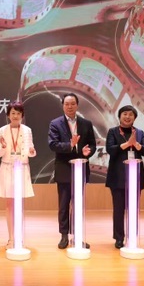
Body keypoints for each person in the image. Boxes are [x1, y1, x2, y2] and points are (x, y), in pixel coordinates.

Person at [48, 93, 97, 249]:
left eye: (72, 104)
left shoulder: (86, 123)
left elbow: (92, 144)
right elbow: (53, 144)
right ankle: (64, 236)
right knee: (64, 205)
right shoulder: (55, 123)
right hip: (64, 168)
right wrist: (69, 145)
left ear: (77, 105)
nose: (70, 107)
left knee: (78, 205)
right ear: (63, 105)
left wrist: (89, 151)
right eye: (67, 104)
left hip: (80, 168)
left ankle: (78, 236)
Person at [105, 105, 144, 249]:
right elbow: (110, 149)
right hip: (117, 176)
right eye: (124, 114)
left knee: (133, 208)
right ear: (119, 116)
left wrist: (136, 144)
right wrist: (126, 144)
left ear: (134, 118)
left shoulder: (140, 133)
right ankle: (119, 238)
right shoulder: (113, 132)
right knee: (118, 209)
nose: (127, 117)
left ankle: (132, 236)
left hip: (135, 176)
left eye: (131, 114)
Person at [0, 101, 37, 247]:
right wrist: (3, 147)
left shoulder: (27, 130)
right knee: (9, 204)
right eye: (13, 113)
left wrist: (32, 151)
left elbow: (31, 151)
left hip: (21, 168)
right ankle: (11, 238)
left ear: (22, 116)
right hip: (7, 168)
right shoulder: (2, 130)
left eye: (18, 113)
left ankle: (19, 237)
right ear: (8, 115)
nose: (15, 116)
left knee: (20, 204)